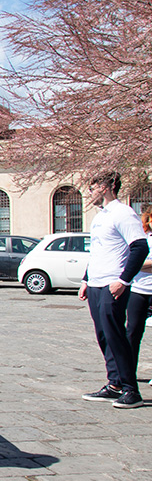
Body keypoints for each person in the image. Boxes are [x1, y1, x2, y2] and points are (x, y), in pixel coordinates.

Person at [79, 171, 149, 409]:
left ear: (106, 187)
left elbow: (139, 248)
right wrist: (86, 279)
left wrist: (124, 280)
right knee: (103, 336)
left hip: (113, 283)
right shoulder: (100, 216)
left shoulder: (123, 213)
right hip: (96, 283)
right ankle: (115, 384)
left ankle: (131, 390)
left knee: (116, 335)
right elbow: (98, 251)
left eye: (93, 187)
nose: (90, 193)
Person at [125, 206, 152, 388]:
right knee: (132, 333)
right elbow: (132, 261)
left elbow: (138, 263)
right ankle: (127, 373)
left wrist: (141, 264)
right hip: (138, 290)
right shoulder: (141, 239)